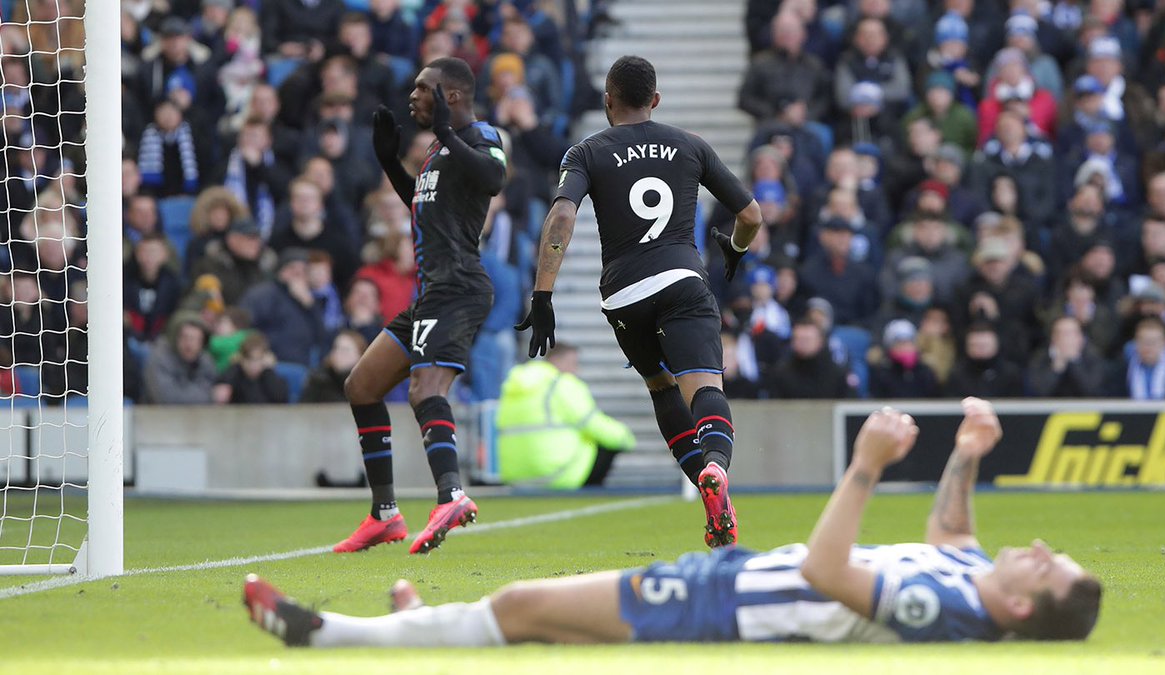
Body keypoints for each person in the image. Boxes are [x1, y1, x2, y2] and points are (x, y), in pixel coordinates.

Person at [244, 398, 1103, 647]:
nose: (1033, 549)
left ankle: (328, 639)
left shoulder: (947, 615)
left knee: (522, 605)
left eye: (1045, 565)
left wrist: (866, 467)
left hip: (720, 611)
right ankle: (415, 631)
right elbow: (953, 536)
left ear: (1025, 608)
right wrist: (969, 453)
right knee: (533, 621)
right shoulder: (972, 575)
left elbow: (830, 575)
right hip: (726, 585)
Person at [514, 56, 763, 548]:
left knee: (660, 386)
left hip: (624, 293)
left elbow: (562, 215)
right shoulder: (690, 144)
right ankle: (716, 467)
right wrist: (733, 249)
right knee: (704, 385)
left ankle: (714, 502)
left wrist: (543, 293)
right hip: (681, 279)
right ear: (655, 100)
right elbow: (751, 214)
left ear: (607, 100)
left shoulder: (585, 151)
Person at [333, 57, 506, 555]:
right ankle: (385, 514)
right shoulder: (436, 150)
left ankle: (450, 495)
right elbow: (424, 205)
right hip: (432, 292)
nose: (412, 97)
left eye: (422, 89)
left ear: (450, 96)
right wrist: (390, 163)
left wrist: (450, 136)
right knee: (362, 386)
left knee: (424, 388)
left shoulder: (480, 136)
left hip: (460, 288)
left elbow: (493, 179)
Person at [496, 343, 635, 490]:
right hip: (557, 475)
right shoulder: (561, 384)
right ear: (559, 361)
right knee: (607, 441)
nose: (576, 370)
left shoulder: (513, 385)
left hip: (516, 478)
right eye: (573, 363)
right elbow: (596, 425)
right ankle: (590, 497)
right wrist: (626, 438)